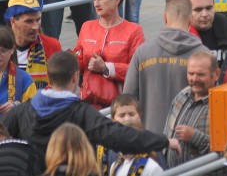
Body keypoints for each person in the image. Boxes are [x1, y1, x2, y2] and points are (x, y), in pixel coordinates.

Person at [0, 51, 180, 162]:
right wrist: (163, 141)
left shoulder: (22, 111)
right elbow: (119, 135)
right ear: (75, 76)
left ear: (49, 78)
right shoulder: (82, 114)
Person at [123, 0, 210, 134]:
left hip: (150, 139)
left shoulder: (143, 52)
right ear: (191, 19)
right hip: (188, 140)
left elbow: (127, 97)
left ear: (164, 17)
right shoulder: (204, 55)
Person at [72, 0, 145, 109]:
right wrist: (69, 61)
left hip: (120, 104)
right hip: (89, 100)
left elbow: (139, 70)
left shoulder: (134, 30)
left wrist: (106, 68)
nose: (96, 4)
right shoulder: (87, 26)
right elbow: (80, 61)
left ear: (116, 0)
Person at [163, 51, 219, 167]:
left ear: (216, 74)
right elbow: (166, 134)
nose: (194, 79)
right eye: (190, 73)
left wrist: (195, 137)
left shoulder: (224, 104)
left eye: (201, 74)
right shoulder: (181, 97)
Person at [4, 0, 61, 89]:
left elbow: (60, 86)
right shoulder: (2, 46)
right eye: (29, 21)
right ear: (13, 21)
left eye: (38, 20)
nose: (36, 27)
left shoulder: (52, 45)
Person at [185, 0, 227, 67]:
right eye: (198, 10)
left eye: (209, 8)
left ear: (214, 6)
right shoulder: (181, 36)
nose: (205, 14)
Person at [0, 26, 36, 112]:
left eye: (3, 51)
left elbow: (34, 108)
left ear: (12, 50)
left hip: (10, 124)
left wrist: (16, 106)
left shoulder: (24, 79)